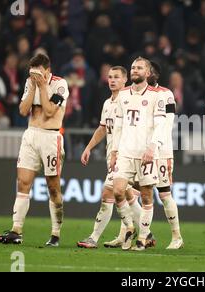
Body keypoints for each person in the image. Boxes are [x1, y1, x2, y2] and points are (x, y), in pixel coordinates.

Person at [106, 61, 184, 250]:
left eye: (141, 68)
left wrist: (154, 146)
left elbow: (167, 123)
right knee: (122, 190)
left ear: (151, 74)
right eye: (133, 68)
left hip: (160, 150)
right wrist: (114, 150)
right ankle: (128, 231)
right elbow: (119, 124)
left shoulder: (164, 94)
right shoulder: (125, 94)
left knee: (163, 193)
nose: (136, 71)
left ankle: (176, 236)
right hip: (129, 151)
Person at [0, 53, 69, 247]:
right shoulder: (30, 82)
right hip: (30, 135)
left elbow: (49, 111)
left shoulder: (60, 84)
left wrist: (43, 86)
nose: (36, 75)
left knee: (53, 187)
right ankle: (16, 230)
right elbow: (22, 110)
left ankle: (55, 233)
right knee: (23, 182)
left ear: (47, 70)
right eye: (33, 72)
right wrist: (33, 87)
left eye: (39, 72)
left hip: (51, 137)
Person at [76, 66, 143, 249]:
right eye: (110, 77)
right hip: (112, 155)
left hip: (125, 155)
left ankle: (94, 237)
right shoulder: (108, 103)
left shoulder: (130, 101)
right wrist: (89, 147)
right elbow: (103, 128)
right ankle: (145, 234)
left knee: (108, 193)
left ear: (125, 80)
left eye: (116, 77)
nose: (112, 80)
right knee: (127, 195)